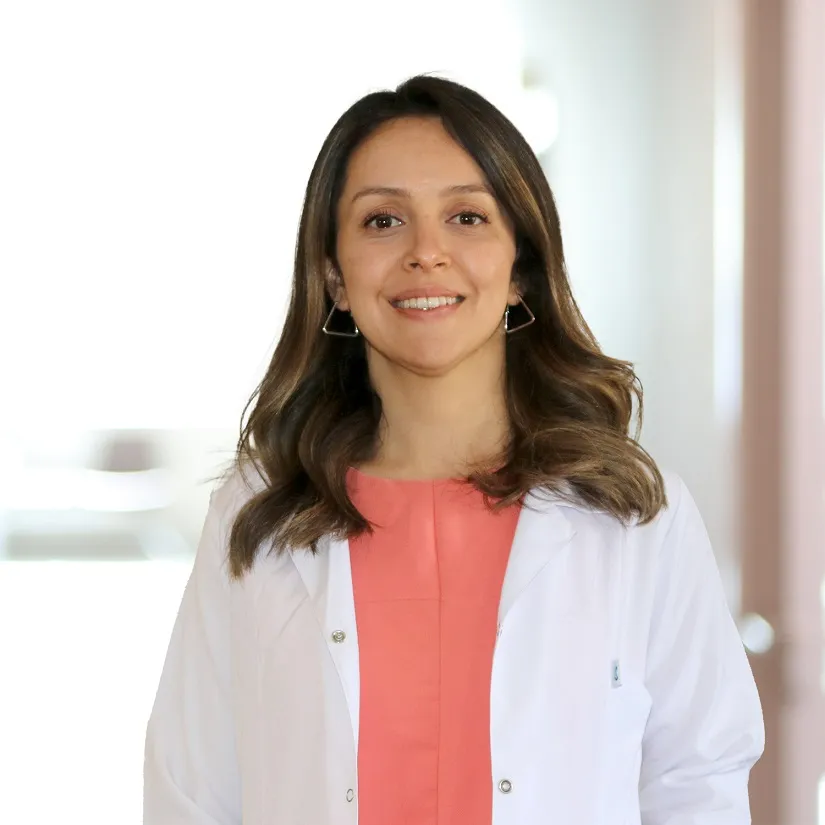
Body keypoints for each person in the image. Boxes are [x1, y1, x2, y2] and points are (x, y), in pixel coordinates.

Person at [143, 75, 764, 825]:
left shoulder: (633, 515)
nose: (426, 253)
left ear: (520, 269)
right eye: (382, 221)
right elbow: (191, 790)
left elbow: (699, 779)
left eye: (466, 217)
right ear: (334, 275)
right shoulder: (258, 512)